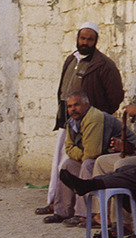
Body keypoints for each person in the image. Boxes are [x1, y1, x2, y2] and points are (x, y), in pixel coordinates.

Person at [37, 22, 124, 215]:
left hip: (92, 124)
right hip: (69, 122)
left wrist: (98, 116)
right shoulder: (71, 59)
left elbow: (115, 96)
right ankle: (58, 206)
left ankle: (82, 212)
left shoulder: (103, 64)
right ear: (77, 38)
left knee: (84, 163)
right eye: (82, 38)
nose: (85, 42)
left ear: (95, 41)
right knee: (61, 164)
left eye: (89, 39)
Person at [45, 91, 123, 225]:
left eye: (76, 105)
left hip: (112, 158)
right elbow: (68, 149)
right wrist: (82, 153)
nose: (72, 109)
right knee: (67, 165)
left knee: (87, 164)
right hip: (93, 158)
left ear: (86, 105)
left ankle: (85, 214)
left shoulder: (94, 117)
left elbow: (92, 153)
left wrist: (81, 153)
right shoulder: (72, 122)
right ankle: (62, 211)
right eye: (69, 106)